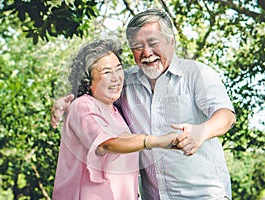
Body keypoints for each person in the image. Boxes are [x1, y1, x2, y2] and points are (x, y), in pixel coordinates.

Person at [51, 9, 236, 200]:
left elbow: (226, 115)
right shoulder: (126, 83)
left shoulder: (196, 74)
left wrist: (202, 131)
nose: (146, 53)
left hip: (203, 195)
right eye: (138, 46)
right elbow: (97, 93)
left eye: (153, 43)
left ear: (171, 41)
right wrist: (69, 100)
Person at [52, 39, 180, 200]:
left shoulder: (116, 112)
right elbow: (106, 143)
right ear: (87, 79)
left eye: (118, 69)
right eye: (106, 72)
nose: (116, 78)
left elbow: (124, 143)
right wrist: (156, 141)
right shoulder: (82, 106)